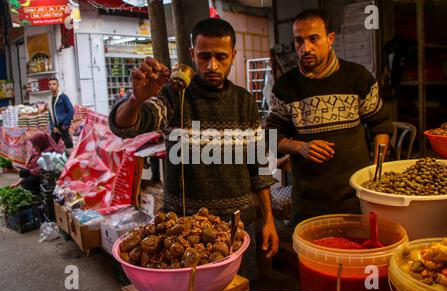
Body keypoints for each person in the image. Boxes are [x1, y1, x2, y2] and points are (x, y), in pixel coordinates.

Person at [109, 18, 279, 277]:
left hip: (238, 226)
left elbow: (260, 168)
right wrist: (135, 100)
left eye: (221, 57)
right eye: (204, 56)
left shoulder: (244, 101)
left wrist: (269, 220)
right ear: (192, 54)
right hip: (183, 233)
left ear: (233, 54)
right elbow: (126, 126)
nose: (212, 65)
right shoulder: (174, 98)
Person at [266, 9, 392, 225]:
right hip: (308, 203)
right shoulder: (285, 87)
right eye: (299, 41)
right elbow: (270, 136)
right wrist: (300, 147)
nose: (306, 48)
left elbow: (380, 124)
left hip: (356, 199)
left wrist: (377, 174)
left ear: (330, 39)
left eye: (313, 39)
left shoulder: (357, 77)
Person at [48, 78, 74, 150]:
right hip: (55, 126)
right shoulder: (50, 98)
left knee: (68, 144)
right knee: (51, 144)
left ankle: (72, 159)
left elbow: (71, 110)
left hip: (63, 125)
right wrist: (52, 127)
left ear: (58, 85)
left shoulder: (63, 97)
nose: (52, 86)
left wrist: (65, 124)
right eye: (50, 84)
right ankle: (54, 159)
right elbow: (50, 114)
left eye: (54, 84)